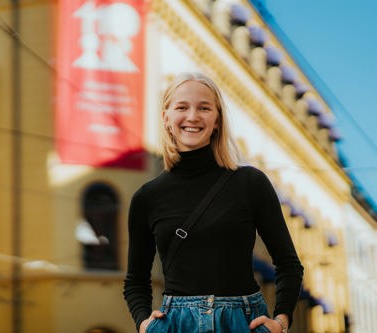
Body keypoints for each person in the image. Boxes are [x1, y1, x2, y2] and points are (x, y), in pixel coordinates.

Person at [123, 72, 303, 333]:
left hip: (244, 321)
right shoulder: (147, 197)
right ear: (166, 117)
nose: (193, 116)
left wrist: (281, 322)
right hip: (176, 324)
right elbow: (136, 281)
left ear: (217, 120)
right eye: (182, 107)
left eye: (204, 108)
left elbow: (288, 264)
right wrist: (143, 324)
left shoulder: (250, 182)